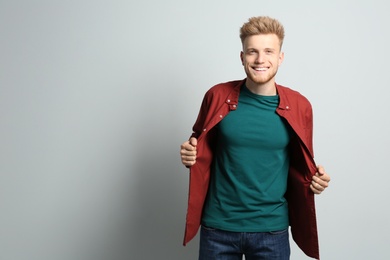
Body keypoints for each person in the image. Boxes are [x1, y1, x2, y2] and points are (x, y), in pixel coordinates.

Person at [180, 16, 330, 260]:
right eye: (252, 52)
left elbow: (302, 162)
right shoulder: (217, 96)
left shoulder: (300, 105)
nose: (260, 59)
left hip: (271, 230)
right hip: (218, 227)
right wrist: (189, 154)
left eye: (269, 51)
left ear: (280, 57)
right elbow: (198, 145)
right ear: (242, 57)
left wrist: (315, 180)